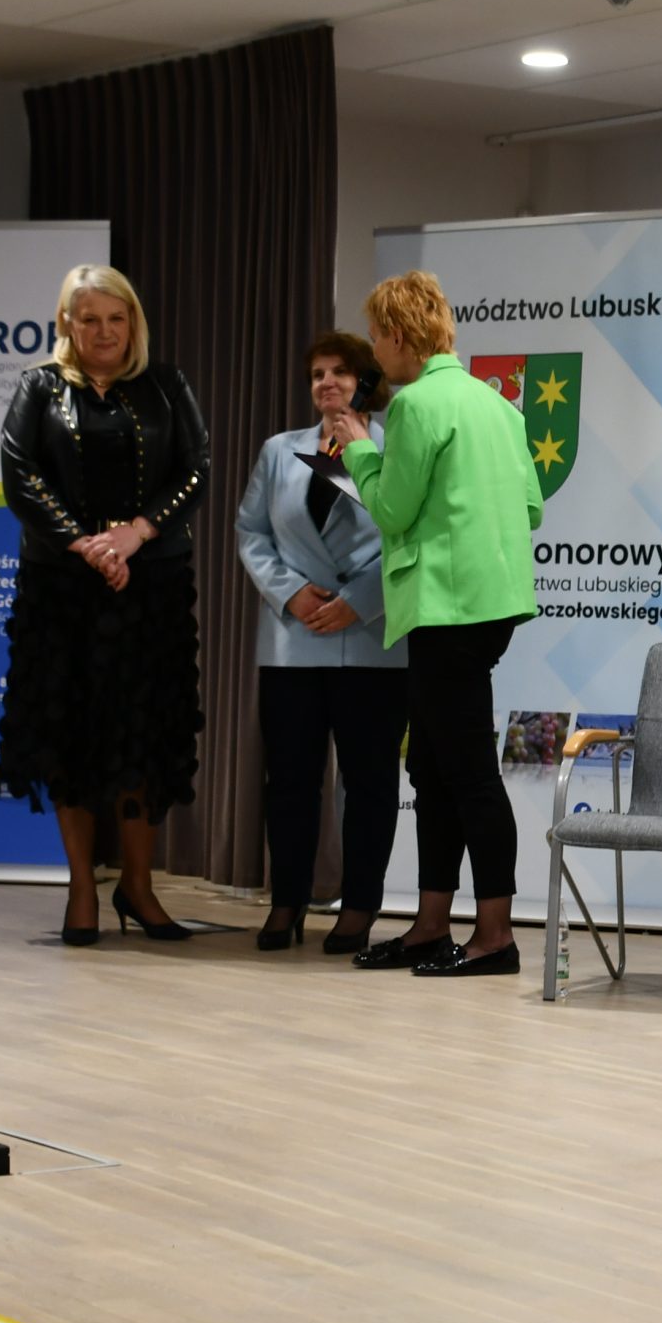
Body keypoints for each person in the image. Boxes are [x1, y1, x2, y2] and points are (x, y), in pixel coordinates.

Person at [323, 271, 543, 978]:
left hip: (446, 607)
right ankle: (429, 925)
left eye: (376, 339)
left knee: (468, 772)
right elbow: (532, 507)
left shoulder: (416, 404)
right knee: (433, 766)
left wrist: (360, 445)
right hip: (489, 603)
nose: (374, 355)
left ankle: (494, 936)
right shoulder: (498, 403)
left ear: (398, 336)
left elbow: (390, 509)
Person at [0, 264, 210, 946]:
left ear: (133, 323)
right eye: (89, 318)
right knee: (70, 737)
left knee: (146, 735)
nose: (104, 331)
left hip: (152, 587)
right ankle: (82, 887)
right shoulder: (39, 386)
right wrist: (85, 543)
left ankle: (138, 887)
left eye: (116, 318)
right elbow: (19, 473)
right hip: (62, 588)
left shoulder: (167, 384)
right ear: (67, 322)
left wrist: (136, 533)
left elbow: (197, 468)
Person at [234, 331, 409, 954]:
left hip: (371, 639)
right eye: (316, 374)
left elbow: (409, 535)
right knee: (290, 781)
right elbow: (251, 532)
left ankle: (359, 907)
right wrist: (291, 594)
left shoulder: (397, 447)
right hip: (294, 639)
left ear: (366, 382)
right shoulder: (279, 451)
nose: (326, 383)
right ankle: (286, 902)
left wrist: (359, 600)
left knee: (369, 784)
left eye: (340, 372)